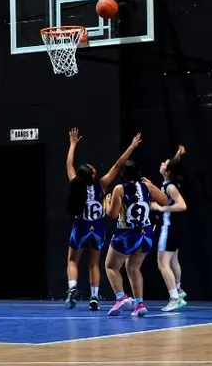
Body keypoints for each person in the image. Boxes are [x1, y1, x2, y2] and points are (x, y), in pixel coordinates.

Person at [65, 129, 142, 310]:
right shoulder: (102, 184)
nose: (95, 168)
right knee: (94, 264)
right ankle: (94, 296)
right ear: (92, 175)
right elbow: (117, 165)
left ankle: (72, 288)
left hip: (81, 227)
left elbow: (69, 164)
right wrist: (131, 147)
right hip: (98, 229)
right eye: (93, 169)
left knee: (72, 261)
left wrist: (72, 144)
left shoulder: (76, 184)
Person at [104, 159, 167, 317]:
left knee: (111, 266)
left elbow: (112, 214)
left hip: (127, 233)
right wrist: (152, 185)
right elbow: (165, 201)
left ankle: (121, 297)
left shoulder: (120, 189)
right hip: (146, 234)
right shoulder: (147, 186)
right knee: (133, 268)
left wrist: (107, 201)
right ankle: (139, 304)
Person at [151, 145, 188, 311]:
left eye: (164, 164)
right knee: (173, 261)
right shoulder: (169, 181)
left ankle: (174, 297)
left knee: (162, 264)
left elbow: (182, 205)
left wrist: (161, 208)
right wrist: (178, 154)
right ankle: (178, 290)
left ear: (168, 172)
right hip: (176, 228)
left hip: (169, 227)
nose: (161, 164)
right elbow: (173, 165)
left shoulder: (170, 187)